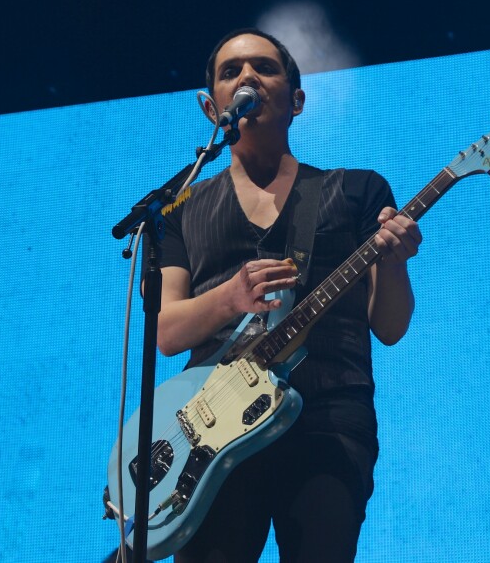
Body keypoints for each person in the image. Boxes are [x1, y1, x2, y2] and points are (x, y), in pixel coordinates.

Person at [152, 28, 422, 562]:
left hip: (327, 420)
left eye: (264, 68)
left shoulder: (357, 191)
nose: (247, 78)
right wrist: (230, 297)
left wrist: (393, 264)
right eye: (231, 72)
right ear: (212, 108)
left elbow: (389, 327)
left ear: (297, 100)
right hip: (213, 434)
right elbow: (165, 332)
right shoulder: (175, 211)